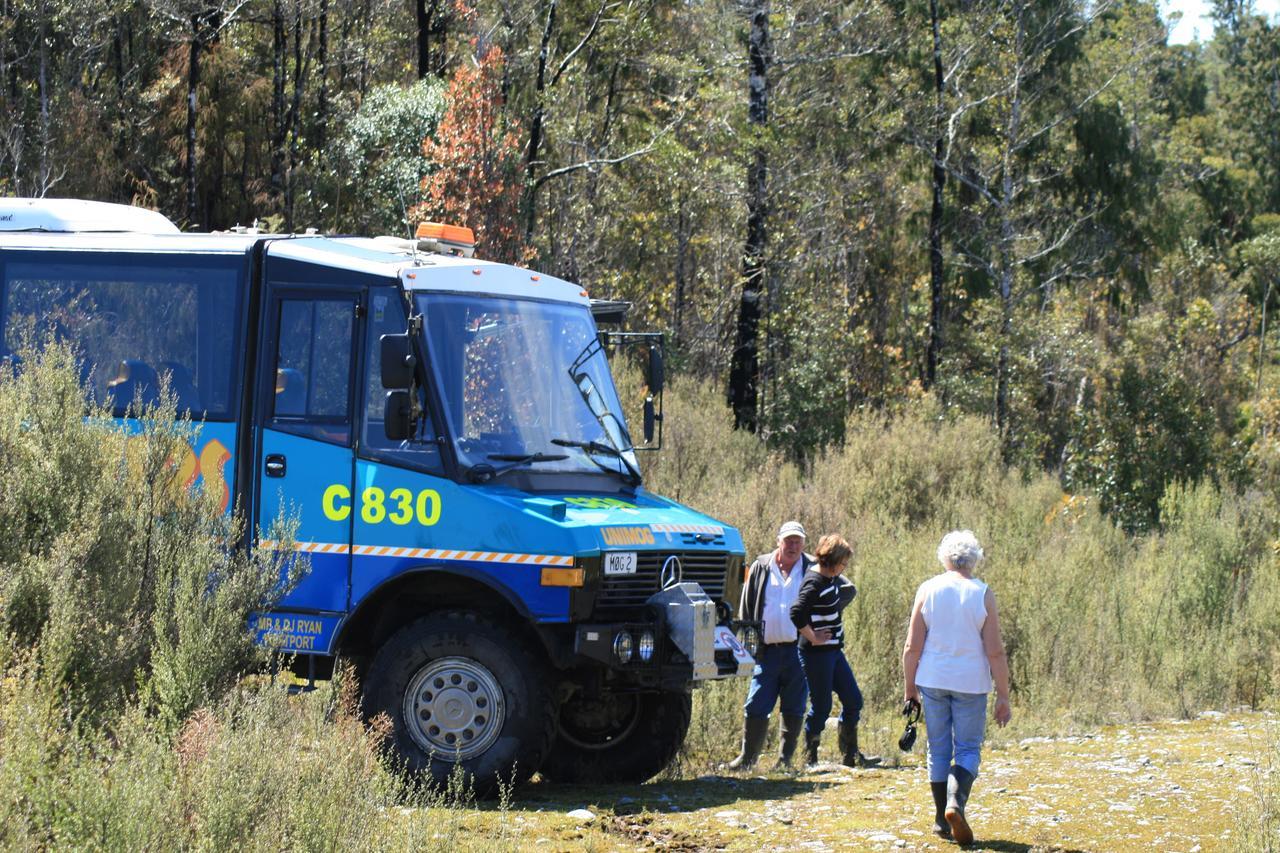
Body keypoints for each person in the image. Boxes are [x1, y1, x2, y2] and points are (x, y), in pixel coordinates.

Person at [902, 530, 1012, 845]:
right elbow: (995, 651)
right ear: (974, 559)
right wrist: (1003, 695)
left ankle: (941, 820)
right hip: (971, 682)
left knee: (938, 748)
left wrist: (910, 687)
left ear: (945, 558)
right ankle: (956, 803)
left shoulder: (928, 589)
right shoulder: (982, 593)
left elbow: (912, 646)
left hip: (932, 679)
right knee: (966, 748)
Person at [727, 520, 813, 770]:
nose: (793, 546)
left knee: (794, 704)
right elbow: (747, 606)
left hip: (799, 651)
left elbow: (836, 593)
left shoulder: (811, 568)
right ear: (779, 542)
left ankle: (785, 761)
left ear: (804, 544)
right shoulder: (761, 566)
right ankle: (747, 759)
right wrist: (746, 643)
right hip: (767, 651)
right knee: (756, 703)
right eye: (788, 540)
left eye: (797, 541)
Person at [790, 533, 879, 768]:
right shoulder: (815, 581)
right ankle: (810, 757)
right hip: (815, 654)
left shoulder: (830, 579)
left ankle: (850, 755)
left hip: (833, 652)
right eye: (843, 562)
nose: (845, 567)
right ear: (833, 560)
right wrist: (813, 636)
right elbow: (796, 612)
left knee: (853, 699)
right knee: (822, 706)